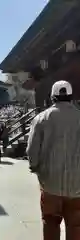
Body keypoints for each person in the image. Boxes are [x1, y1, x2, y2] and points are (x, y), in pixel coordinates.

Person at [26, 80, 80, 240]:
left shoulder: (41, 119)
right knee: (76, 225)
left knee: (50, 223)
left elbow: (32, 150)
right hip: (78, 186)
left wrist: (34, 166)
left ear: (52, 97)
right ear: (71, 97)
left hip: (50, 184)